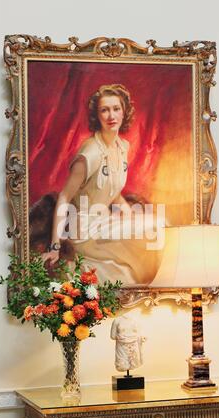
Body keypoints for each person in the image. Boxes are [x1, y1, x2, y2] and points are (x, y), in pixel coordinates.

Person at [42, 84, 161, 284]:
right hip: (86, 230)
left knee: (156, 226)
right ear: (97, 116)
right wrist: (54, 246)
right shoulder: (89, 154)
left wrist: (131, 217)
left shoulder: (122, 146)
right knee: (148, 233)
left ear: (124, 112)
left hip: (106, 222)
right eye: (104, 110)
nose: (111, 115)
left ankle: (155, 281)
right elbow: (64, 197)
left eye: (116, 108)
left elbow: (112, 192)